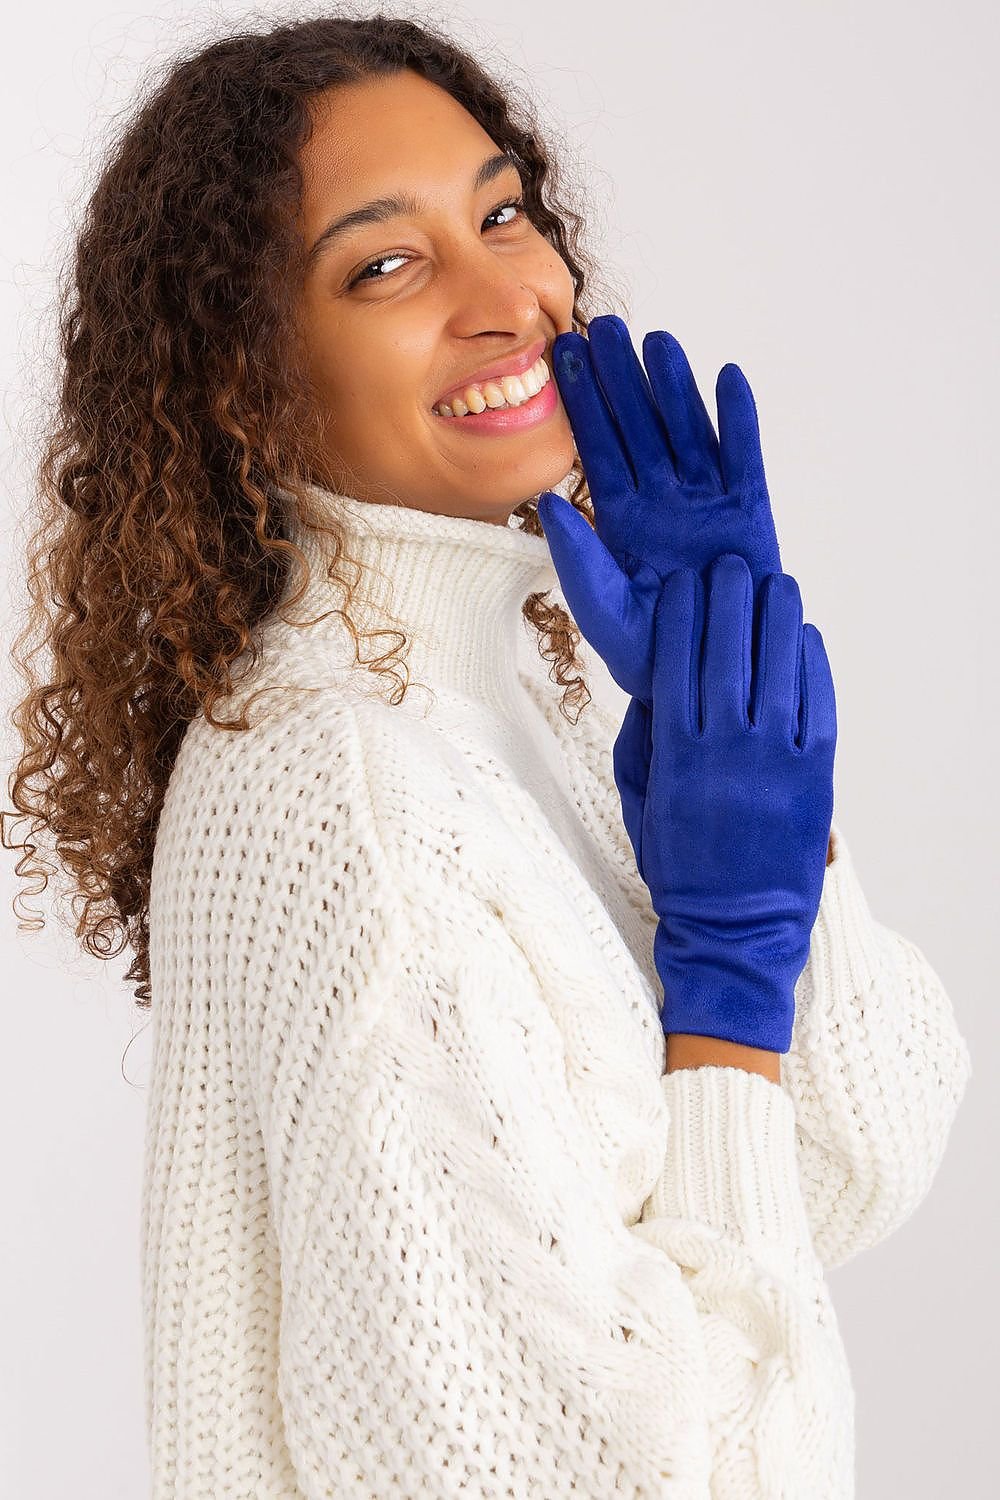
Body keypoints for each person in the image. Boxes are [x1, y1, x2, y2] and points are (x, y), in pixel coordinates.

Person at [2, 14, 971, 1498]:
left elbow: (856, 1164)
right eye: (386, 266)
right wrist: (722, 976)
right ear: (245, 377)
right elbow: (623, 1473)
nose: (506, 298)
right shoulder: (347, 796)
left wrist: (774, 828)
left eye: (504, 213)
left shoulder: (530, 683)